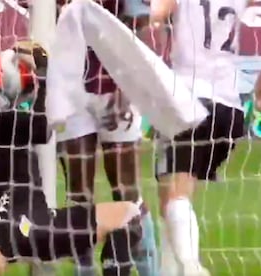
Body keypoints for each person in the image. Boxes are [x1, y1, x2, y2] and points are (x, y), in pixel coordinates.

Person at [0, 6, 143, 276]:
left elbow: (4, 128)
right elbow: (41, 128)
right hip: (19, 210)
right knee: (128, 216)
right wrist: (46, 75)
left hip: (1, 206)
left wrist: (24, 94)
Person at [55, 0, 158, 275]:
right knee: (78, 191)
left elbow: (140, 21)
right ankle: (84, 270)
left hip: (114, 87)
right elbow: (41, 20)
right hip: (69, 88)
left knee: (126, 189)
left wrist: (128, 76)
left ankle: (149, 269)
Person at [150, 0, 249, 274]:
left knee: (176, 197)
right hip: (230, 109)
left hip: (188, 99)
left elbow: (155, 12)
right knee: (172, 200)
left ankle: (192, 267)